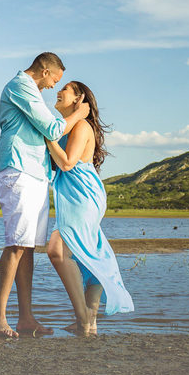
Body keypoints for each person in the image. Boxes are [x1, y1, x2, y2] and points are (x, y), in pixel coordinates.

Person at [0, 53, 90, 339]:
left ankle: (25, 318)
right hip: (17, 169)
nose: (52, 87)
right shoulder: (20, 86)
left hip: (36, 173)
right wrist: (79, 115)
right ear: (45, 71)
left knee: (29, 245)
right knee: (16, 244)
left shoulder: (32, 92)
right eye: (54, 81)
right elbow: (53, 128)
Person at [45, 80, 133, 336]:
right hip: (77, 195)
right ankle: (90, 323)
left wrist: (47, 137)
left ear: (78, 98)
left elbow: (67, 163)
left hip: (83, 196)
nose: (59, 91)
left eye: (66, 89)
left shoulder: (82, 125)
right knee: (86, 256)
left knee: (57, 250)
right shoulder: (71, 126)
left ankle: (83, 317)